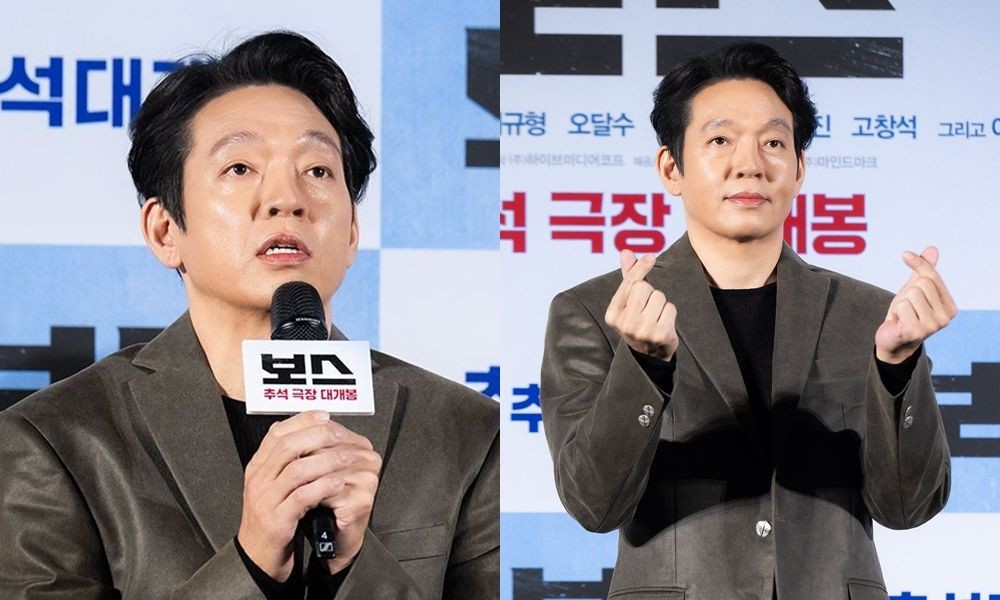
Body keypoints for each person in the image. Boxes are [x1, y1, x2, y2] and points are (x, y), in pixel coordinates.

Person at [0, 32, 498, 599]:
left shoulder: (466, 432)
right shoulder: (59, 439)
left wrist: (354, 564)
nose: (287, 199)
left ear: (352, 232)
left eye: (318, 171)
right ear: (165, 230)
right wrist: (251, 562)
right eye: (239, 168)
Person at [540, 42, 953, 600]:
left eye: (774, 142)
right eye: (720, 140)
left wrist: (898, 367)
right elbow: (594, 504)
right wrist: (643, 366)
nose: (751, 163)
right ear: (671, 168)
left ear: (799, 168)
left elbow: (908, 507)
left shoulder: (874, 318)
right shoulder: (595, 311)